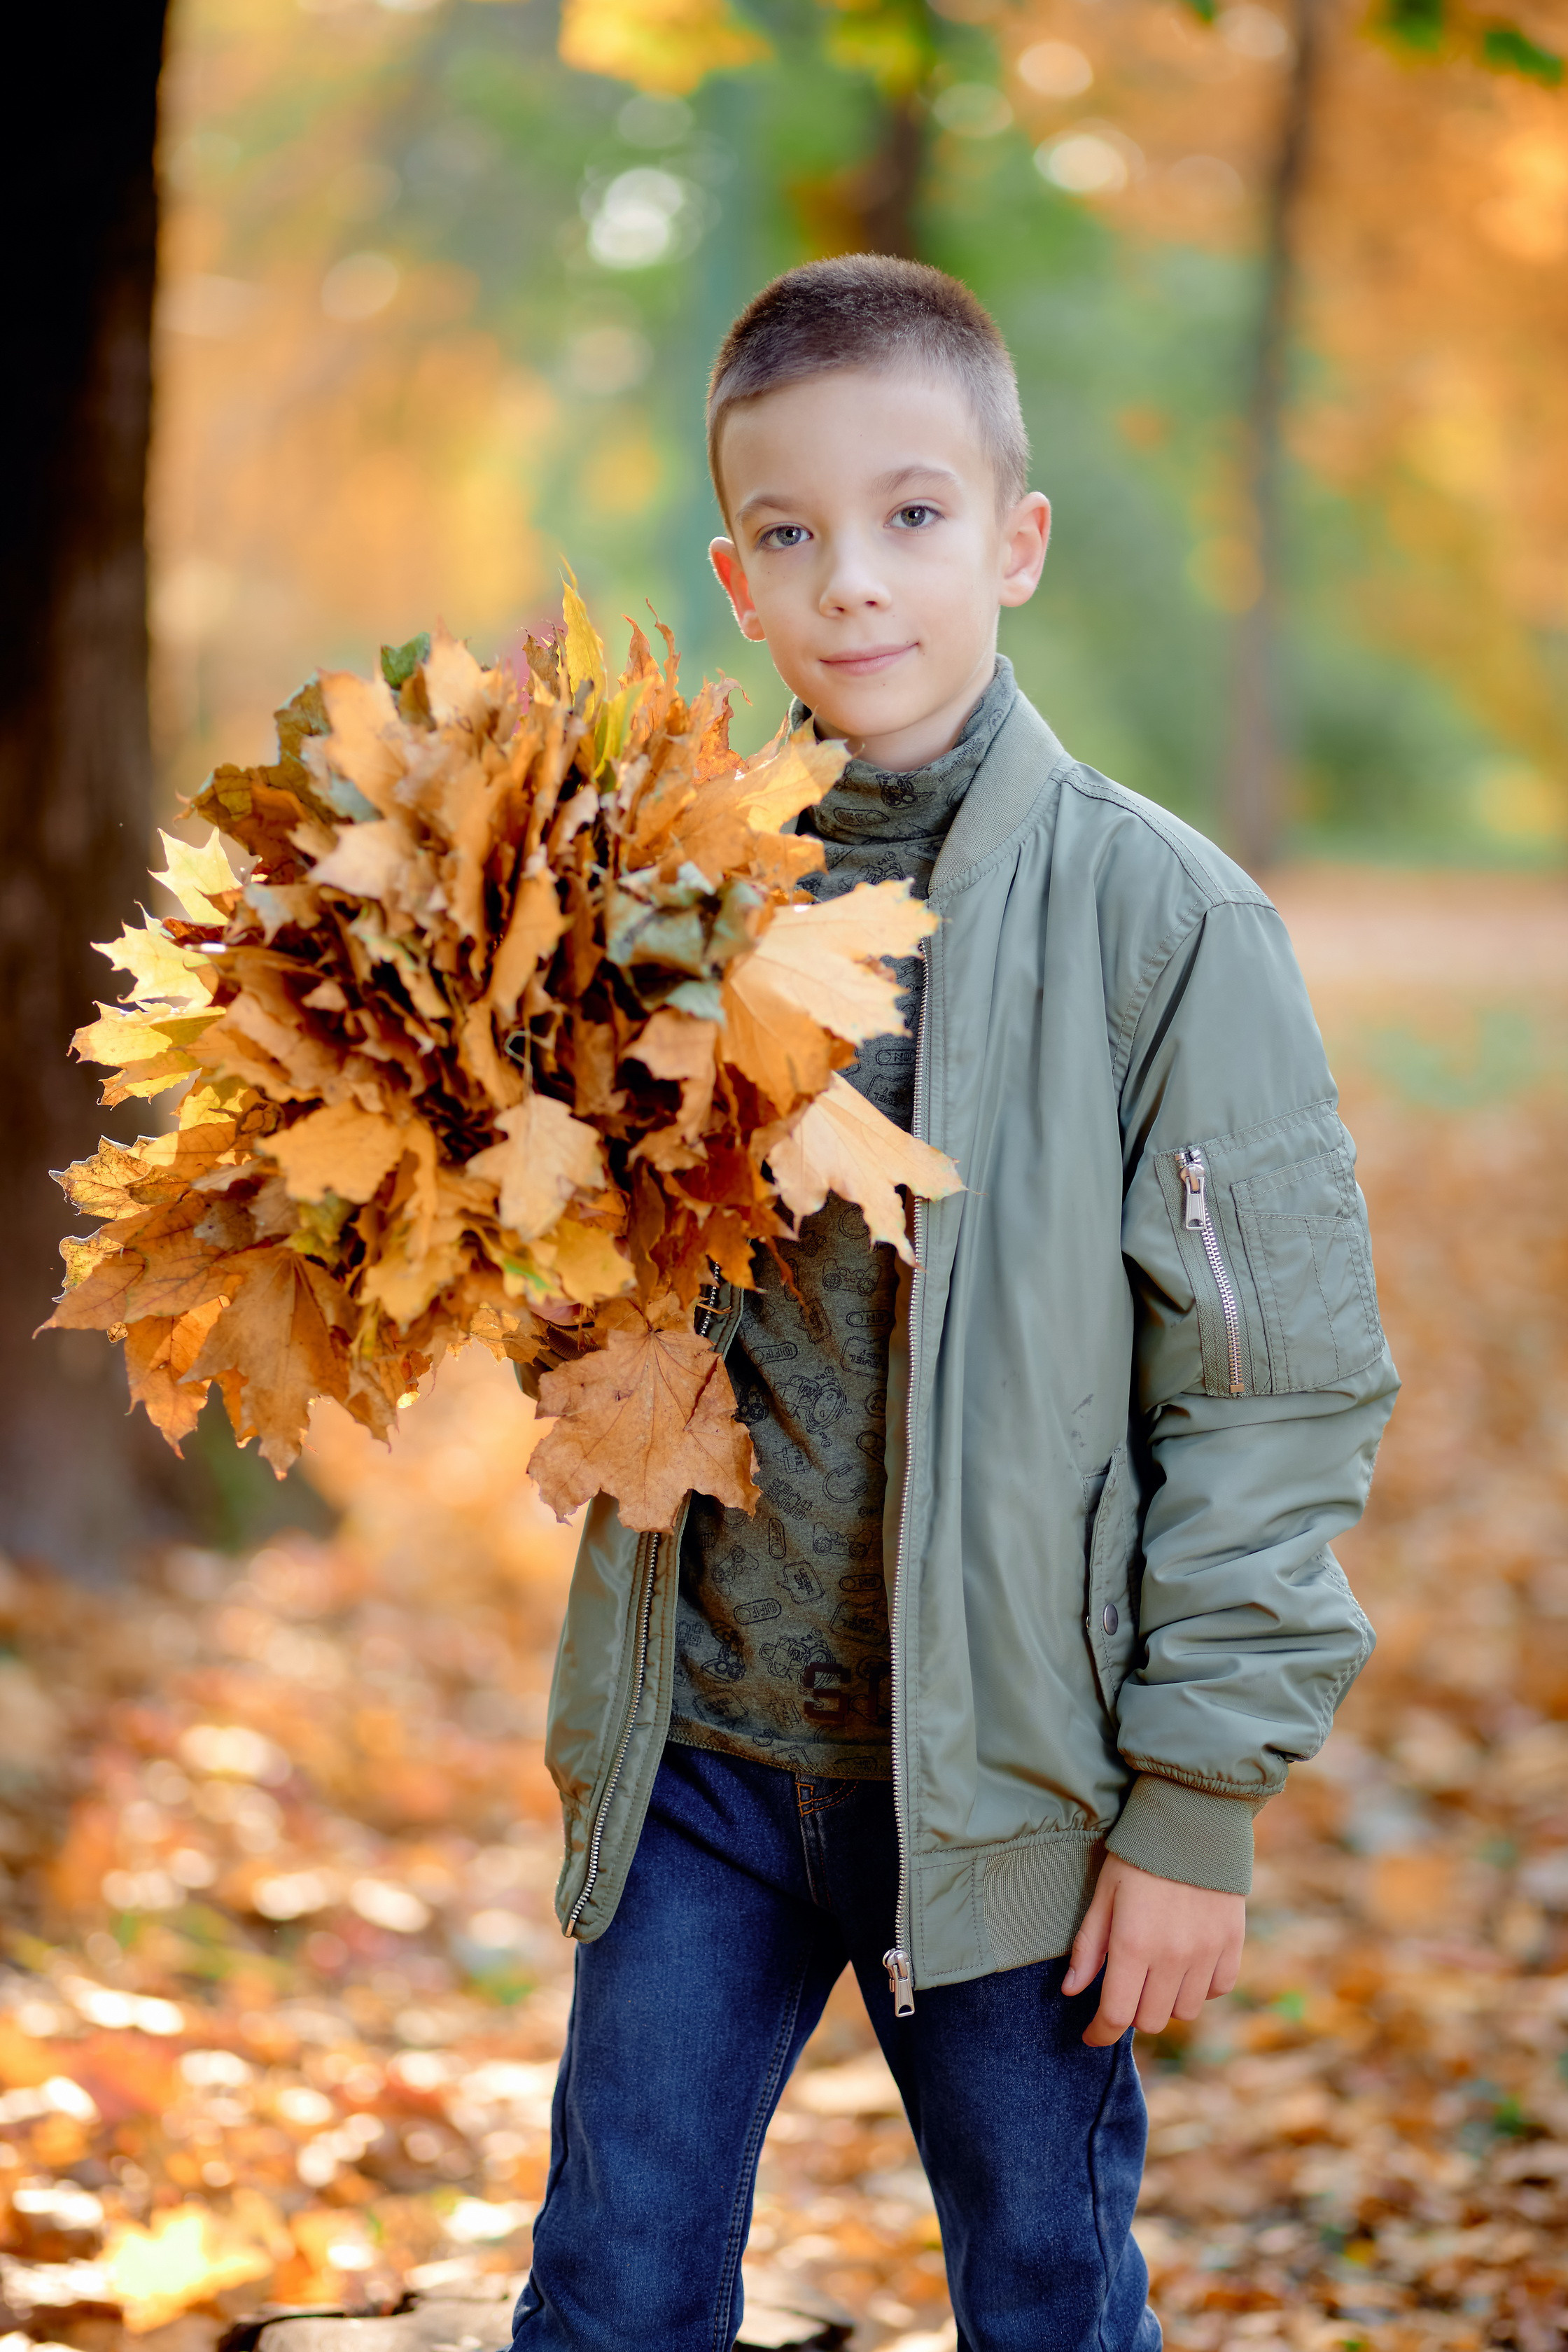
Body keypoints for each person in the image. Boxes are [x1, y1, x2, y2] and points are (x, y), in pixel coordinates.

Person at [512, 255, 1399, 2352]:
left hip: (1017, 1791)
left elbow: (1273, 1391)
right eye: (795, 536)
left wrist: (1197, 1803)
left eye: (912, 516)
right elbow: (588, 1302)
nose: (856, 584)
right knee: (610, 2291)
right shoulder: (658, 901)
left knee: (1047, 2293)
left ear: (1015, 537)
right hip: (704, 1770)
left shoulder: (1161, 920)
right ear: (737, 579)